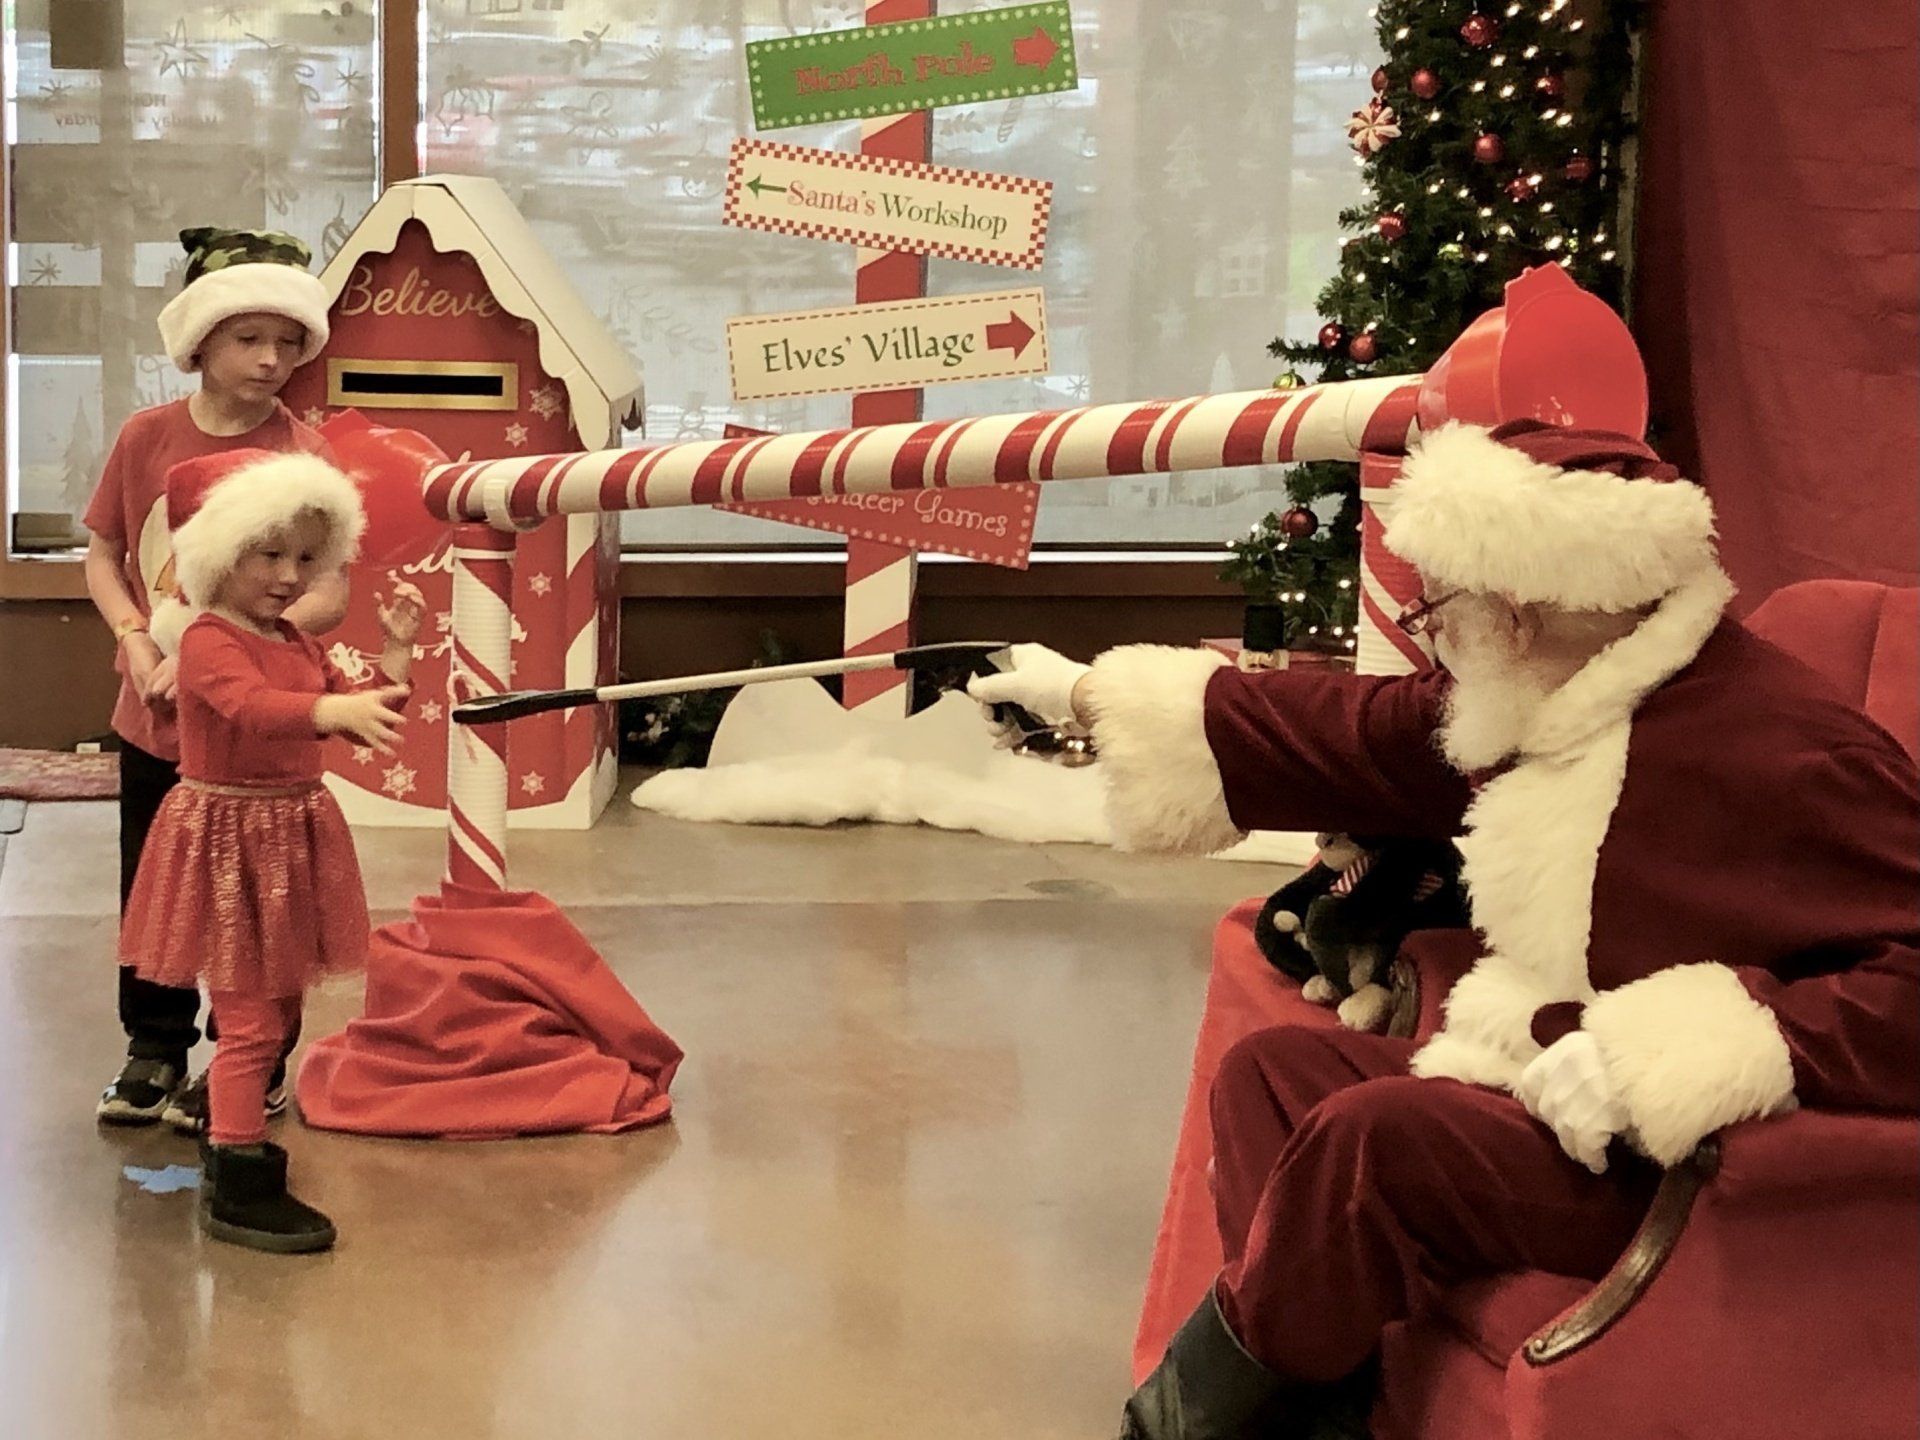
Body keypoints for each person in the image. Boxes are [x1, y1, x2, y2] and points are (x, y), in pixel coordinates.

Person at [969, 420, 1920, 1440]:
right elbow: (1341, 728)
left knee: (1373, 1142)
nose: (1427, 628)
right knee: (1274, 1078)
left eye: (1442, 603)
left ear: (1522, 603)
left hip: (1676, 1156)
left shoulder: (1788, 752)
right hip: (1542, 1086)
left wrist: (1682, 1050)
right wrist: (1083, 692)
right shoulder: (1560, 694)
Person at [117, 446, 420, 1253]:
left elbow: (351, 707)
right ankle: (239, 1171)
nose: (291, 576)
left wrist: (395, 658)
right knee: (250, 1019)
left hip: (289, 830)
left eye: (306, 559)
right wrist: (328, 715)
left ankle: (237, 1148)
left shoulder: (291, 637)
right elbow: (251, 707)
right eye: (270, 553)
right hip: (228, 839)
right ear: (220, 553)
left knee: (280, 1006)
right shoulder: (209, 640)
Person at [83, 226, 345, 1133]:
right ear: (200, 342)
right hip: (152, 716)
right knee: (155, 885)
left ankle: (257, 1059)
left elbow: (329, 590)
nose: (270, 360)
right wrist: (140, 642)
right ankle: (152, 1045)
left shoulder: (306, 454)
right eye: (247, 339)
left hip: (256, 736)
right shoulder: (145, 436)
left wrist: (229, 648)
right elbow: (107, 555)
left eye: (287, 341)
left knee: (267, 896)